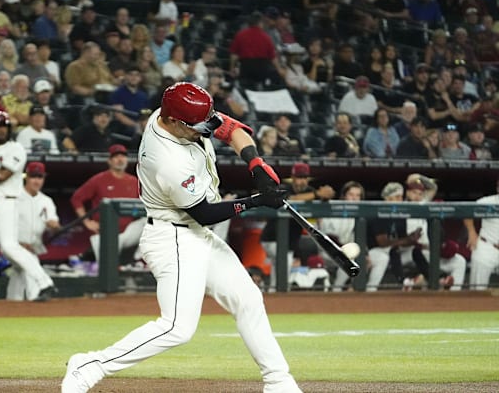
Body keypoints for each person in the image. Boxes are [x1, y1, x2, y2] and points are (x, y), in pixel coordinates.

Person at [62, 82, 300, 393]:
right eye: (196, 126)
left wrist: (256, 164)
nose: (205, 131)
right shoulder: (166, 160)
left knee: (248, 300)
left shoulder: (173, 113)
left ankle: (279, 382)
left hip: (196, 234)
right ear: (173, 122)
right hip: (172, 238)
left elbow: (231, 129)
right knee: (177, 328)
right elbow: (205, 212)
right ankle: (90, 365)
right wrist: (255, 200)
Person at [0, 111, 56, 302]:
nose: (2, 130)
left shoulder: (17, 148)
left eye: (5, 126)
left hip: (6, 203)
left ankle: (44, 281)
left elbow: (1, 175)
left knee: (9, 246)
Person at [261, 162, 335, 292]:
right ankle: (281, 292)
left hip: (288, 241)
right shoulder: (284, 187)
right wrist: (318, 194)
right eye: (299, 177)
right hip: (271, 238)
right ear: (293, 178)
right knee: (284, 264)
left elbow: (323, 196)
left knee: (279, 268)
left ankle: (273, 292)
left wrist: (327, 194)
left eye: (304, 178)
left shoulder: (310, 191)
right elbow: (292, 198)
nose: (301, 181)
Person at [69, 144, 145, 267]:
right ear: (109, 161)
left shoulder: (134, 181)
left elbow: (142, 206)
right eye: (116, 157)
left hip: (127, 233)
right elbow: (76, 198)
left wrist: (135, 213)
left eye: (123, 156)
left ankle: (138, 260)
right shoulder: (99, 180)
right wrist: (87, 222)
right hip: (105, 234)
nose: (120, 159)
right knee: (107, 271)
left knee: (151, 220)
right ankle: (87, 257)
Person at [6, 162, 60, 300]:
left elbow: (55, 227)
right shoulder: (14, 197)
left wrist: (54, 226)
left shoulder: (47, 201)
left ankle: (12, 303)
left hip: (34, 246)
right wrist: (18, 243)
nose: (37, 181)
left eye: (40, 177)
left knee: (20, 273)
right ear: (26, 177)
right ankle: (37, 295)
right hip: (14, 245)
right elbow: (5, 224)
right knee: (31, 262)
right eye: (33, 177)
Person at [403, 178, 466, 291]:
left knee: (460, 261)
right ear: (407, 193)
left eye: (420, 193)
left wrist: (420, 177)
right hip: (415, 252)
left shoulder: (424, 205)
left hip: (434, 251)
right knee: (418, 254)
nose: (417, 196)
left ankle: (454, 293)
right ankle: (440, 279)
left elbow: (433, 187)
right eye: (413, 192)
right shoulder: (402, 208)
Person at [365, 182, 422, 292]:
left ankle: (435, 281)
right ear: (388, 199)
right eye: (397, 197)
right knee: (388, 254)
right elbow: (382, 242)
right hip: (372, 251)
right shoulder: (378, 213)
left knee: (416, 251)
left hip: (392, 252)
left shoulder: (400, 214)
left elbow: (402, 239)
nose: (400, 200)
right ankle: (370, 289)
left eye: (401, 197)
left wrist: (412, 239)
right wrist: (405, 240)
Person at [318, 181, 365, 291]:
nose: (354, 198)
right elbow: (330, 238)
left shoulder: (360, 216)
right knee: (349, 257)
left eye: (358, 196)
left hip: (344, 253)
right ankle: (337, 290)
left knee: (357, 257)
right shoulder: (333, 209)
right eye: (351, 195)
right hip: (326, 253)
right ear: (344, 196)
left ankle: (339, 289)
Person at [464, 177, 499, 290]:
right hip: (487, 246)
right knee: (477, 290)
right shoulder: (487, 201)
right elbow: (466, 212)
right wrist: (471, 232)